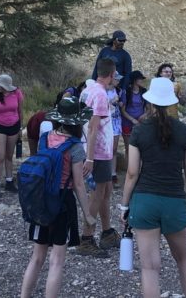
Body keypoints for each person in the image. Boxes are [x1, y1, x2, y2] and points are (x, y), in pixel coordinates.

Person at [121, 77, 186, 298]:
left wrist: (124, 206)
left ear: (150, 103)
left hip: (145, 201)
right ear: (172, 102)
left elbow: (132, 172)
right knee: (184, 259)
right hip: (174, 200)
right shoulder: (185, 131)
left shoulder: (140, 131)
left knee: (149, 267)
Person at [20, 98, 96, 298]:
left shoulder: (45, 138)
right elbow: (79, 184)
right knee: (56, 261)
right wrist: (87, 215)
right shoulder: (75, 147)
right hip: (62, 202)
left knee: (36, 258)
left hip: (40, 200)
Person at [78, 60, 118, 255]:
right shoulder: (101, 94)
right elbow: (93, 127)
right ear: (111, 74)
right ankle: (86, 237)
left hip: (98, 150)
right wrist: (90, 158)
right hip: (98, 152)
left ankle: (107, 231)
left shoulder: (89, 89)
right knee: (96, 193)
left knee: (106, 190)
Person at [0, 73, 25, 195]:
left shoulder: (17, 93)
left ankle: (9, 181)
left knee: (9, 155)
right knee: (0, 156)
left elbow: (20, 111)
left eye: (0, 85)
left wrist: (20, 128)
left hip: (14, 125)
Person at [120, 70, 148, 143]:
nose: (142, 80)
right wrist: (132, 120)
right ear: (135, 80)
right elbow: (123, 110)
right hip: (127, 122)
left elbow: (149, 109)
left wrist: (144, 115)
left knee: (140, 145)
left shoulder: (144, 91)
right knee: (128, 147)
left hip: (140, 122)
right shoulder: (126, 92)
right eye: (140, 79)